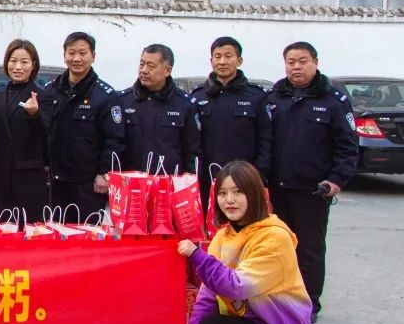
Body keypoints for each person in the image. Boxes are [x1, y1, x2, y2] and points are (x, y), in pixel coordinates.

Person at [179, 160, 312, 324]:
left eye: (238, 192)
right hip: (251, 323)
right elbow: (207, 296)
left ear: (255, 194)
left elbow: (237, 287)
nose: (229, 200)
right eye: (222, 193)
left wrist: (197, 256)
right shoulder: (223, 236)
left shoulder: (274, 238)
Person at [267, 41, 358, 322]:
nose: (296, 67)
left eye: (302, 61)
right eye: (291, 62)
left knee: (309, 250)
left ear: (315, 63)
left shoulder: (333, 101)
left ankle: (307, 305)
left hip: (312, 191)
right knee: (277, 248)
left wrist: (336, 181)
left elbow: (348, 147)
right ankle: (278, 300)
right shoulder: (274, 98)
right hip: (276, 189)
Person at [40, 31, 124, 216]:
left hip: (88, 184)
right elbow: (44, 131)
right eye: (71, 53)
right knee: (54, 230)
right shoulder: (50, 91)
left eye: (82, 53)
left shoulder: (105, 96)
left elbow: (114, 140)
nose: (76, 58)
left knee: (86, 231)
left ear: (93, 56)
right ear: (64, 56)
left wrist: (105, 174)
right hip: (55, 182)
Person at [190, 37, 273, 208]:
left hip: (244, 180)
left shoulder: (256, 97)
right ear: (211, 60)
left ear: (239, 60)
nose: (222, 62)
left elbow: (266, 139)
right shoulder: (197, 97)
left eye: (228, 56)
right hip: (207, 180)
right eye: (217, 56)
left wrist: (258, 175)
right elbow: (191, 141)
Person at [0, 39, 49, 219]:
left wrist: (34, 114)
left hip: (28, 180)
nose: (18, 67)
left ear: (33, 65)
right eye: (13, 61)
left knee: (27, 229)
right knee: (0, 227)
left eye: (24, 62)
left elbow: (47, 137)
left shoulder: (42, 96)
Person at [117, 44, 201, 175]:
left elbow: (193, 150)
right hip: (131, 181)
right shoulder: (122, 101)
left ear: (167, 70)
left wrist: (189, 177)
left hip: (169, 181)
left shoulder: (185, 104)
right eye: (141, 64)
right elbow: (114, 144)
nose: (144, 70)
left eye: (150, 66)